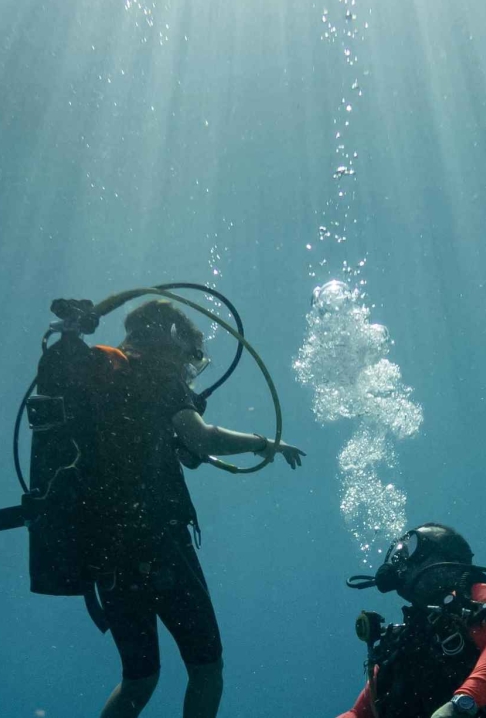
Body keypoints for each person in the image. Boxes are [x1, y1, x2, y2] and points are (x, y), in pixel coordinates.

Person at [86, 299, 305, 718]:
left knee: (139, 680)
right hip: (159, 541)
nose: (189, 368)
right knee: (207, 669)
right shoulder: (157, 376)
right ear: (170, 340)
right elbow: (202, 439)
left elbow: (177, 452)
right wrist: (265, 444)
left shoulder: (111, 385)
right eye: (189, 355)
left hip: (105, 551)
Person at [338, 523, 486, 718]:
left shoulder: (472, 595)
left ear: (444, 554)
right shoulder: (407, 640)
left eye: (411, 549)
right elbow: (358, 713)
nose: (402, 564)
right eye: (399, 555)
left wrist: (464, 703)